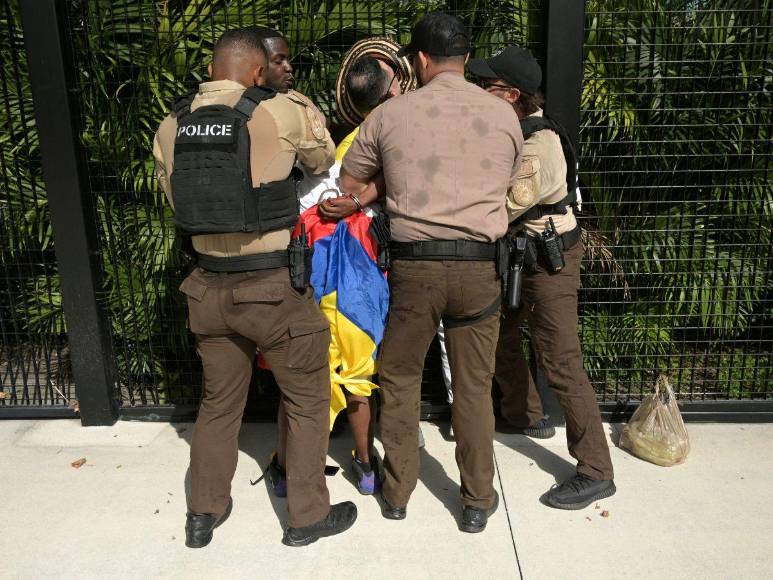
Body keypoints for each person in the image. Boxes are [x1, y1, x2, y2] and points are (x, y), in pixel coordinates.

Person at [152, 28, 357, 547]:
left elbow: (176, 201)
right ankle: (308, 517)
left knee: (219, 405)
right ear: (257, 70)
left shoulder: (171, 123)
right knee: (308, 400)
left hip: (207, 287)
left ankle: (203, 514)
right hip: (271, 287)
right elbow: (321, 160)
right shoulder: (277, 109)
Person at [321, 12, 524, 533]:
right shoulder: (503, 115)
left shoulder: (389, 117)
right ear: (462, 57)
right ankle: (477, 501)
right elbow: (510, 179)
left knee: (401, 377)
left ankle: (397, 493)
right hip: (481, 270)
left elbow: (348, 182)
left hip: (415, 270)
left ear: (422, 60)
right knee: (476, 388)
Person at [468, 46, 616, 509]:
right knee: (502, 338)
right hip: (520, 255)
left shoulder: (538, 145)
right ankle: (525, 414)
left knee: (561, 361)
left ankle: (595, 469)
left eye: (487, 86)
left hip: (549, 262)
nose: (476, 91)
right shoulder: (514, 129)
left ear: (512, 95)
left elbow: (504, 206)